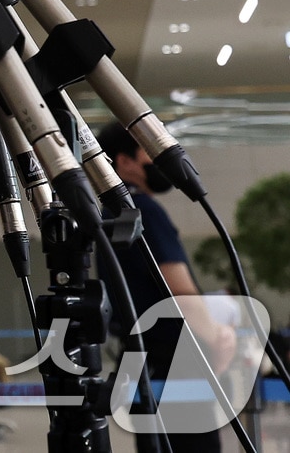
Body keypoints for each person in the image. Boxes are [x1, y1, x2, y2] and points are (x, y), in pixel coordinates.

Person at [96, 121, 237, 453]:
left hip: (145, 361)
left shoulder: (111, 214)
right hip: (177, 366)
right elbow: (182, 294)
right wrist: (218, 338)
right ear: (125, 162)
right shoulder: (144, 211)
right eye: (148, 152)